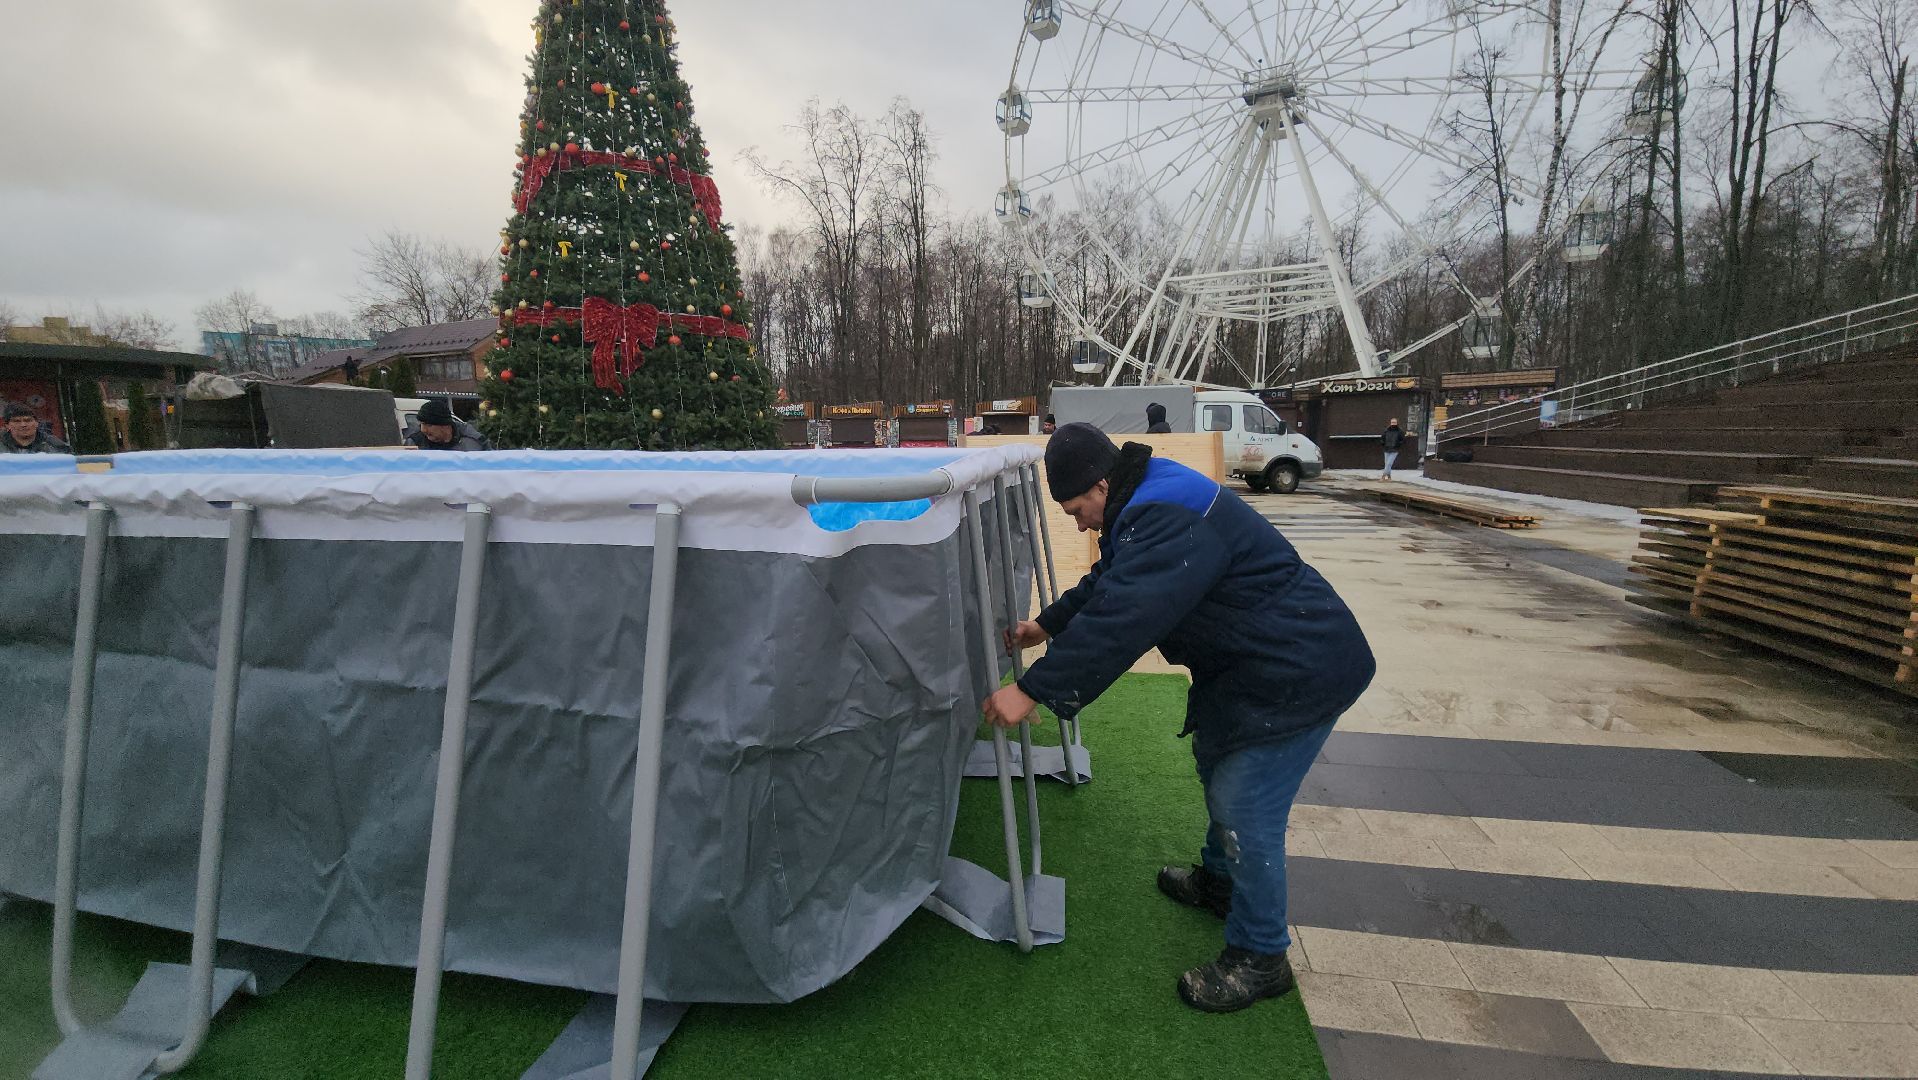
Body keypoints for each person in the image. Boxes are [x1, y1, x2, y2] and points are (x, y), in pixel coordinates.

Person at [983, 424, 1375, 1013]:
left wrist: (1032, 690)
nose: (1080, 524)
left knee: (1246, 805)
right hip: (1252, 661)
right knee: (1215, 757)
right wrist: (1047, 624)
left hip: (1300, 668)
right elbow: (1112, 579)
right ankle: (1220, 884)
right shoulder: (1145, 496)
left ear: (1100, 486)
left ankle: (1261, 956)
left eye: (1077, 511)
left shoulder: (1165, 514)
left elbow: (1125, 617)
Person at [406, 398, 491, 451]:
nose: (423, 430)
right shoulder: (414, 443)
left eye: (429, 425)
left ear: (445, 425)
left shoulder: (474, 443)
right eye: (421, 424)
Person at [3, 403, 72, 454]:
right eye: (17, 421)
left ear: (37, 423)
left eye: (28, 420)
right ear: (7, 425)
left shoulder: (56, 446)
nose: (23, 425)